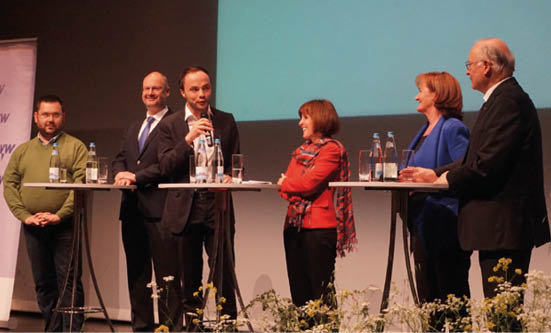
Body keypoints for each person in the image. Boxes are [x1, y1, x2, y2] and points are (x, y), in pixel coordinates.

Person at [401, 38, 550, 299]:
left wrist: (442, 181)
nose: (467, 71)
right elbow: (474, 158)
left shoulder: (508, 102)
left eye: (469, 65)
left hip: (505, 227)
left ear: (487, 66)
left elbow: (485, 164)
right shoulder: (498, 100)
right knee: (499, 314)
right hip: (497, 228)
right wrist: (435, 173)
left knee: (503, 317)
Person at [157, 66, 240, 330]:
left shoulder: (226, 120)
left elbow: (235, 163)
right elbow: (165, 166)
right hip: (185, 207)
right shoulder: (170, 125)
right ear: (182, 92)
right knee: (189, 278)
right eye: (195, 89)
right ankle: (193, 329)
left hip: (217, 205)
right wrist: (189, 139)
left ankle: (227, 327)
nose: (202, 94)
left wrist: (230, 177)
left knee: (223, 273)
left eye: (206, 87)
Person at [3, 95, 87, 331]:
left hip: (64, 226)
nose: (51, 120)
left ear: (63, 117)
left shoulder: (75, 147)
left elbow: (80, 186)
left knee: (69, 282)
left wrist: (60, 214)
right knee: (43, 283)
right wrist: (24, 216)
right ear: (36, 117)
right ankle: (52, 329)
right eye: (46, 114)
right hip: (33, 226)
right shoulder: (23, 151)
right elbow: (9, 184)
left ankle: (71, 331)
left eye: (56, 114)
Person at [112, 72, 181, 331]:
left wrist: (136, 177)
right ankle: (141, 328)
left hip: (162, 210)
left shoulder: (175, 124)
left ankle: (169, 328)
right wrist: (119, 172)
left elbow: (167, 166)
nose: (150, 93)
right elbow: (121, 157)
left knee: (167, 278)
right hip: (132, 210)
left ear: (167, 92)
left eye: (156, 89)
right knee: (137, 276)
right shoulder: (134, 127)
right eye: (146, 88)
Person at [277, 99, 356, 310]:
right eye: (300, 118)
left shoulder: (332, 150)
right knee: (300, 295)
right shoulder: (301, 151)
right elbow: (287, 187)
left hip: (319, 229)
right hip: (293, 226)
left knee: (321, 295)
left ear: (320, 119)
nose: (300, 123)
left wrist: (288, 184)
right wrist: (289, 185)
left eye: (305, 118)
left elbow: (308, 184)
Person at [402, 73, 471, 312]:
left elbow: (466, 164)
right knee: (428, 305)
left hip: (445, 225)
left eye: (421, 90)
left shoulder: (453, 128)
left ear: (437, 95)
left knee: (452, 303)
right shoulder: (423, 130)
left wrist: (433, 173)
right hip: (422, 223)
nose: (416, 96)